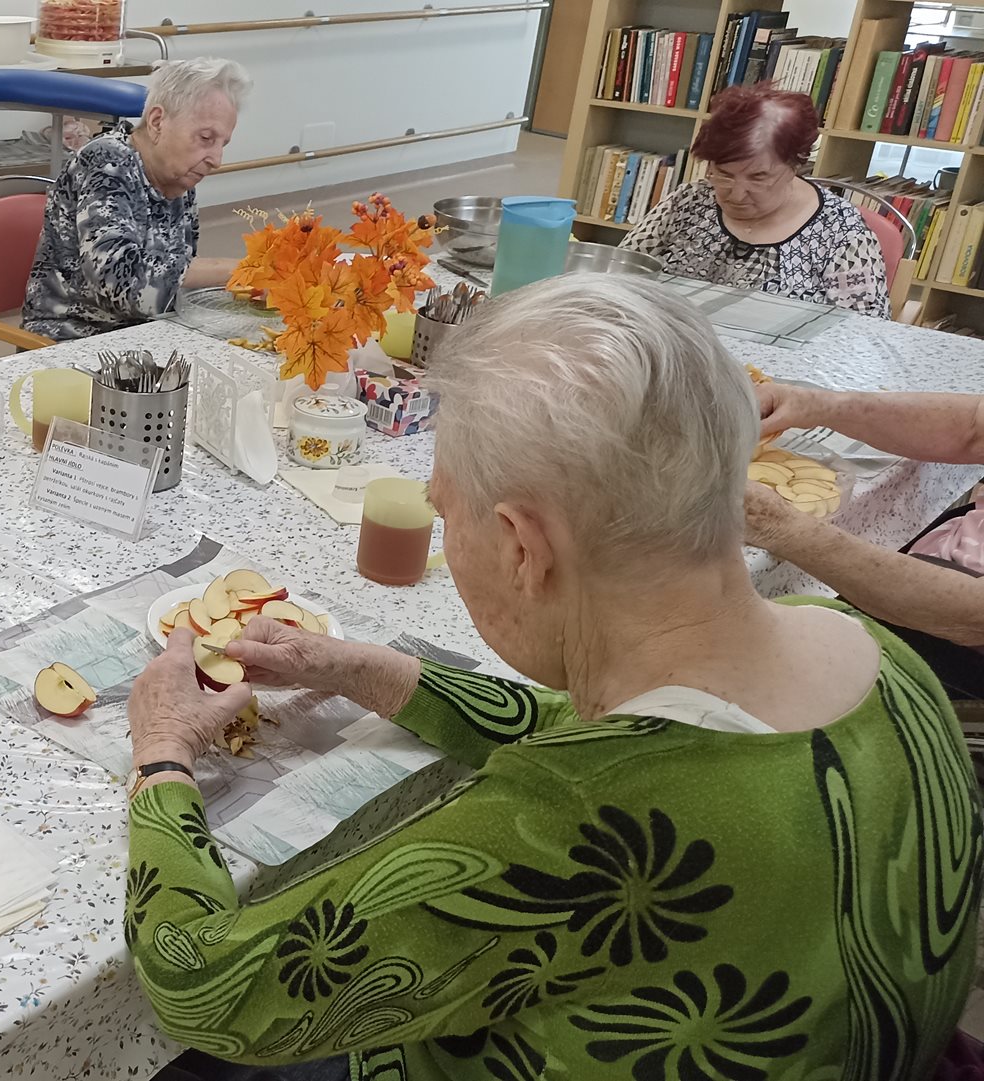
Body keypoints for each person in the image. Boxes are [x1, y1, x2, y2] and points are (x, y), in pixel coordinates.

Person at [123, 275, 978, 1080]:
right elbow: (607, 731)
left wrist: (163, 755)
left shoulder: (573, 819)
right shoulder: (879, 653)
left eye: (445, 510)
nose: (444, 525)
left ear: (523, 547)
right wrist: (356, 668)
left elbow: (203, 987)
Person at [746, 381, 984, 702]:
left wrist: (780, 528)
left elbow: (971, 615)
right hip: (957, 548)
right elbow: (974, 427)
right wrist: (813, 405)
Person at [22, 56, 250, 341]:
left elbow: (175, 276)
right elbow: (118, 284)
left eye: (222, 144)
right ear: (157, 122)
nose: (216, 159)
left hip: (145, 334)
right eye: (206, 138)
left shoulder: (179, 178)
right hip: (71, 341)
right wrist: (240, 270)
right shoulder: (106, 162)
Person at [621, 83, 889, 317]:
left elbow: (863, 331)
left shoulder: (840, 231)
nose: (737, 194)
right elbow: (618, 278)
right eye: (724, 175)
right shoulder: (689, 202)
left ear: (795, 165)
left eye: (758, 178)